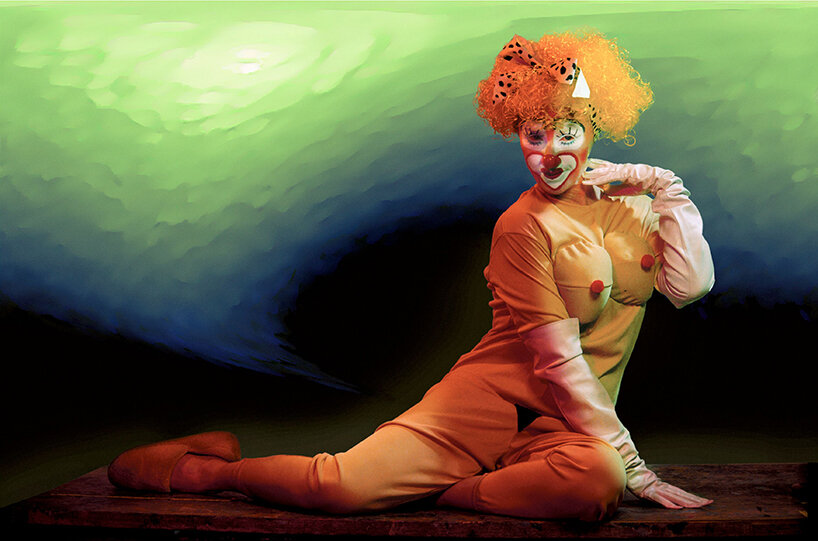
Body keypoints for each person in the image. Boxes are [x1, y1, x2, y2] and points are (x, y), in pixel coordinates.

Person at [108, 30, 715, 521]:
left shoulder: (637, 207)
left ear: (592, 129)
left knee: (594, 485)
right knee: (338, 488)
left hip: (563, 429)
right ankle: (206, 470)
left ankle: (442, 493)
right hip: (483, 408)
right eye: (535, 136)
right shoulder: (521, 226)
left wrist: (668, 188)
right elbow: (559, 362)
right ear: (516, 135)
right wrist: (634, 465)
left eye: (567, 133)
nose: (551, 153)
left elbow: (689, 287)